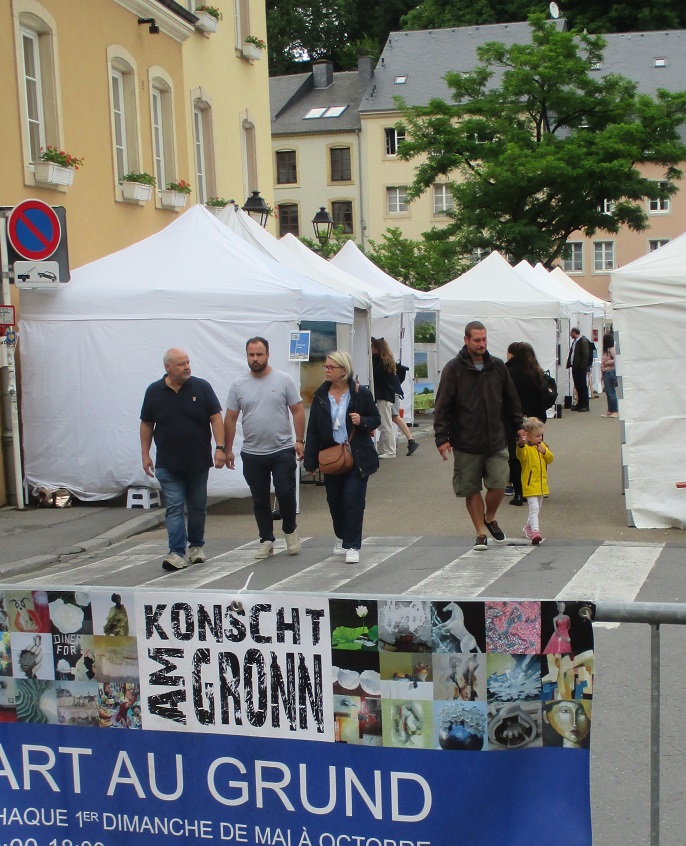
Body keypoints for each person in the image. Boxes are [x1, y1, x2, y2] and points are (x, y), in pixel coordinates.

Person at [434, 321, 525, 550]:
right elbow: (442, 405)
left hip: (496, 438)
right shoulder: (453, 369)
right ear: (466, 340)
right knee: (471, 488)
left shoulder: (497, 367)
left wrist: (518, 426)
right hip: (466, 441)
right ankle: (480, 532)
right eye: (477, 340)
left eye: (484, 339)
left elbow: (511, 399)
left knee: (498, 484)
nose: (481, 344)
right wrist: (441, 438)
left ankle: (490, 516)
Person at [140, 348, 226, 572]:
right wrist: (145, 453)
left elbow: (216, 418)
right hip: (168, 463)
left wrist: (220, 448)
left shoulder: (201, 387)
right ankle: (176, 552)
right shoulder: (154, 391)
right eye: (181, 364)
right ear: (168, 367)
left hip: (197, 462)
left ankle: (196, 546)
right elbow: (147, 424)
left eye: (188, 362)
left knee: (197, 507)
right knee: (175, 506)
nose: (187, 367)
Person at [224, 337, 305, 560]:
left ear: (267, 354)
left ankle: (290, 529)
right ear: (247, 356)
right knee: (260, 498)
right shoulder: (238, 385)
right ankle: (266, 539)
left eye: (259, 354)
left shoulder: (283, 380)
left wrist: (299, 440)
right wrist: (227, 449)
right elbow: (230, 418)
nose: (255, 358)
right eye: (251, 354)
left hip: (281, 449)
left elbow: (297, 410)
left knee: (285, 492)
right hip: (252, 452)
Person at [303, 350, 380, 563]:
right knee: (334, 501)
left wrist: (361, 420)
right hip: (332, 456)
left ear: (343, 371)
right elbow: (313, 430)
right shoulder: (320, 395)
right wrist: (310, 460)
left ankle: (353, 545)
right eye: (325, 367)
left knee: (353, 500)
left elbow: (376, 419)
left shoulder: (359, 393)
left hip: (357, 457)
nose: (326, 370)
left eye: (331, 367)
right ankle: (341, 535)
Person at [505, 341, 548, 506]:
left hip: (514, 419)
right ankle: (537, 487)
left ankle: (519, 491)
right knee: (537, 451)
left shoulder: (508, 372)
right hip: (535, 419)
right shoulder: (536, 372)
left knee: (516, 456)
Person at [371, 337, 418, 457]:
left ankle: (390, 450)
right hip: (390, 395)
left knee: (387, 423)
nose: (370, 350)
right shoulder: (387, 361)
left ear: (377, 348)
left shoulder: (380, 362)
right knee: (391, 420)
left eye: (372, 347)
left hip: (386, 396)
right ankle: (404, 442)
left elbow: (374, 375)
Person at [516, 416, 554, 545]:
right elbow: (520, 455)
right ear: (528, 435)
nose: (540, 439)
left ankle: (528, 527)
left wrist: (545, 452)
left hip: (541, 484)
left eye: (541, 435)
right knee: (534, 508)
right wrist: (521, 444)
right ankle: (536, 532)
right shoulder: (526, 449)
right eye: (537, 436)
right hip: (530, 484)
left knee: (537, 509)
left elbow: (550, 459)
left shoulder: (542, 446)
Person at [566, 328, 593, 412]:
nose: (570, 334)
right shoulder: (575, 342)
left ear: (574, 332)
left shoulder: (583, 341)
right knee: (578, 385)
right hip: (575, 366)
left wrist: (583, 366)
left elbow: (586, 355)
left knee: (582, 386)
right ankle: (580, 403)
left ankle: (585, 405)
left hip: (580, 367)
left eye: (571, 333)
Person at [601, 332, 618, 418]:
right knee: (608, 392)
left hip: (610, 371)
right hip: (605, 372)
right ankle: (610, 409)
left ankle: (615, 410)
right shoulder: (605, 350)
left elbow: (617, 359)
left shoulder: (611, 349)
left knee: (611, 392)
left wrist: (607, 362)